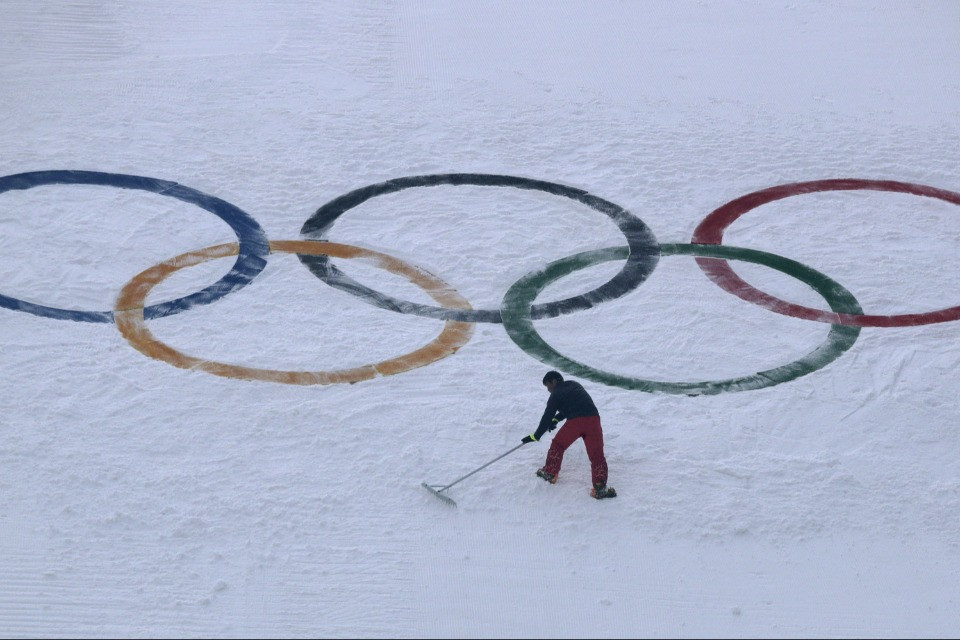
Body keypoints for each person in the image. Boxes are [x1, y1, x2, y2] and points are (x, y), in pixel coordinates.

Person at [521, 371, 616, 499]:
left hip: (576, 422)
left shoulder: (555, 394)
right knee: (597, 455)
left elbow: (547, 416)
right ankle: (599, 488)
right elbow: (571, 407)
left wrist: (536, 435)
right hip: (593, 420)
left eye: (548, 385)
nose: (548, 389)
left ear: (554, 381)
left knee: (558, 445)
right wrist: (555, 420)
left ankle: (550, 473)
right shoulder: (574, 385)